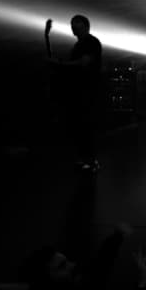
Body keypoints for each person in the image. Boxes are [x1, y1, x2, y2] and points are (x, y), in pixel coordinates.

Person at [47, 14, 103, 172]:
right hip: (80, 92)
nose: (73, 27)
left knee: (85, 126)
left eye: (76, 24)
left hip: (88, 91)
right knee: (80, 127)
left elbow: (83, 63)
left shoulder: (91, 42)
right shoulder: (79, 45)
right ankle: (85, 158)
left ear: (85, 26)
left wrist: (59, 64)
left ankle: (91, 160)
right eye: (72, 24)